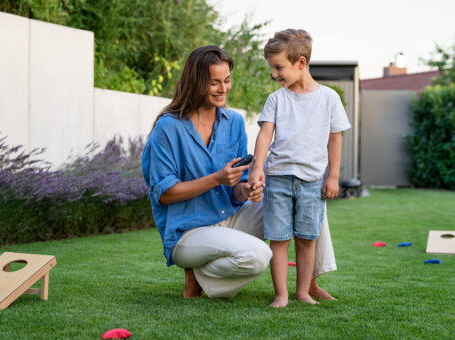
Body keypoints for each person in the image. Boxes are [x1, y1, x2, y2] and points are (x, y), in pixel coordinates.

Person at [142, 45, 338, 300]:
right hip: (187, 232)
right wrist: (216, 179)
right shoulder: (168, 128)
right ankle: (200, 275)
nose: (223, 89)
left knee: (306, 198)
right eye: (214, 83)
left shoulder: (233, 122)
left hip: (229, 218)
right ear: (195, 82)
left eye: (226, 81)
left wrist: (245, 189)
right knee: (258, 256)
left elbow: (236, 189)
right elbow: (165, 194)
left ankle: (310, 283)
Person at [249, 29, 351, 307]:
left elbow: (335, 138)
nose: (275, 74)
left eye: (279, 67)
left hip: (311, 182)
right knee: (279, 240)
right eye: (273, 68)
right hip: (278, 179)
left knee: (307, 239)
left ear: (301, 63)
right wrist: (258, 167)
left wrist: (333, 176)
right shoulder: (277, 99)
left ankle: (303, 291)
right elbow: (265, 135)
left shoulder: (329, 98)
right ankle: (281, 294)